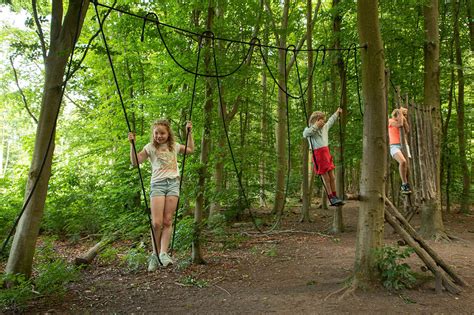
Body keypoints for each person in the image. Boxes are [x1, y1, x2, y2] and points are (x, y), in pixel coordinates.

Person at [128, 120, 194, 271]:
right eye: (156, 133)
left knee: (167, 220)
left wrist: (189, 132)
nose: (159, 136)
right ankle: (155, 254)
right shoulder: (150, 147)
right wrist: (131, 145)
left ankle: (163, 253)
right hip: (157, 184)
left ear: (168, 134)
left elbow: (190, 149)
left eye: (162, 133)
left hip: (173, 184)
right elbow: (135, 161)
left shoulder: (174, 146)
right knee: (156, 223)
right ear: (153, 134)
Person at [303, 107, 344, 206]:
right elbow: (305, 134)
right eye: (322, 120)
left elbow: (331, 121)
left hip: (326, 153)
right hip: (318, 155)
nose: (324, 122)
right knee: (326, 178)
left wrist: (337, 113)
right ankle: (331, 197)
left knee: (332, 177)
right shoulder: (310, 130)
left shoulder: (324, 127)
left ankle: (335, 196)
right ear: (317, 120)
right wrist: (316, 126)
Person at [388, 107, 412, 194]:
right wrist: (401, 114)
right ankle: (404, 185)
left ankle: (407, 185)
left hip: (404, 145)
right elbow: (399, 125)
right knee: (403, 162)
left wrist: (404, 119)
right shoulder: (390, 121)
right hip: (394, 146)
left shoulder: (403, 120)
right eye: (403, 114)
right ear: (396, 115)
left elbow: (407, 130)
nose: (404, 116)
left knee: (407, 167)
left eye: (405, 115)